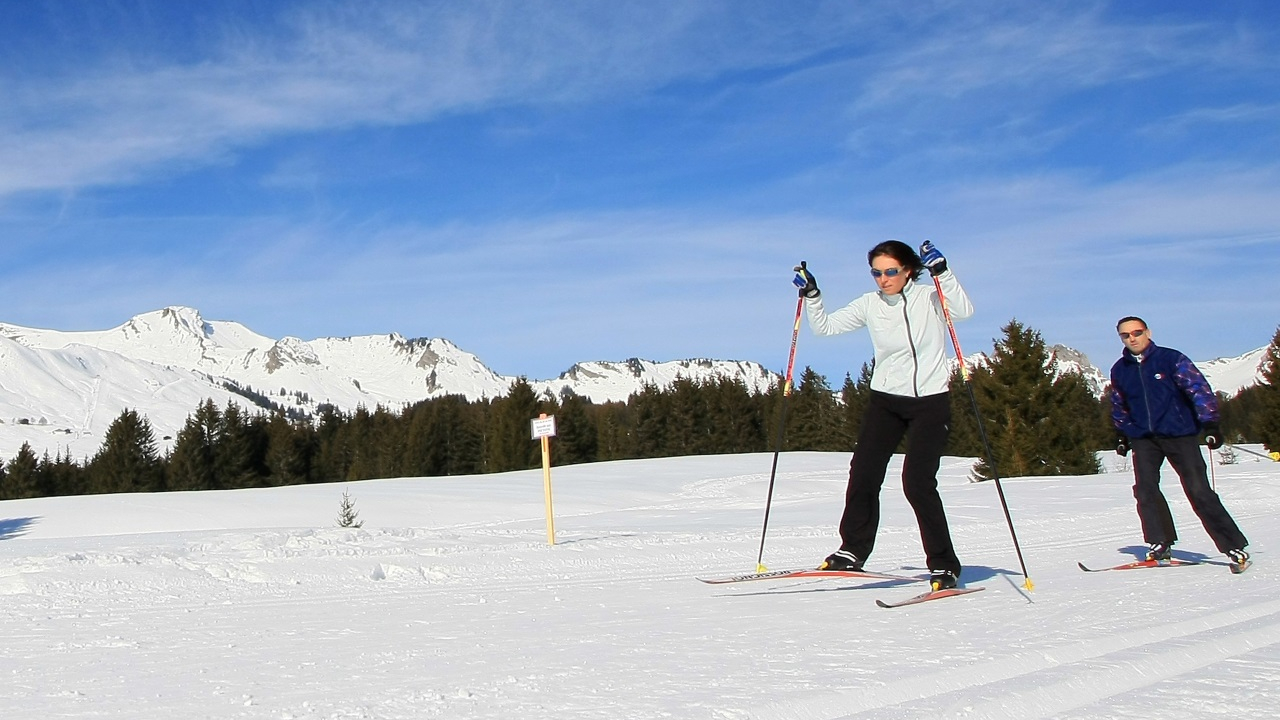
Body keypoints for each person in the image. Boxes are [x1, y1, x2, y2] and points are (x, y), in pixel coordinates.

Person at [792, 240, 971, 591]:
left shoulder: (929, 297)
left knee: (917, 483)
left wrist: (943, 273)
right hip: (886, 401)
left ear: (908, 270)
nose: (883, 279)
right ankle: (852, 551)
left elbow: (963, 311)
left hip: (930, 402)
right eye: (877, 272)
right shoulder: (869, 304)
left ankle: (944, 565)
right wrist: (813, 295)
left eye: (891, 271)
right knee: (863, 472)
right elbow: (826, 327)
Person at [1109, 316, 1250, 568]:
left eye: (1137, 332)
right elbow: (1119, 404)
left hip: (1179, 434)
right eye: (1125, 335)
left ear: (1148, 332)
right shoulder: (1120, 369)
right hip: (1144, 438)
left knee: (1198, 490)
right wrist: (1122, 433)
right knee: (1145, 490)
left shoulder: (1171, 359)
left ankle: (1233, 546)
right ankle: (1159, 543)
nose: (1132, 338)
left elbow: (1198, 390)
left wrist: (1210, 424)